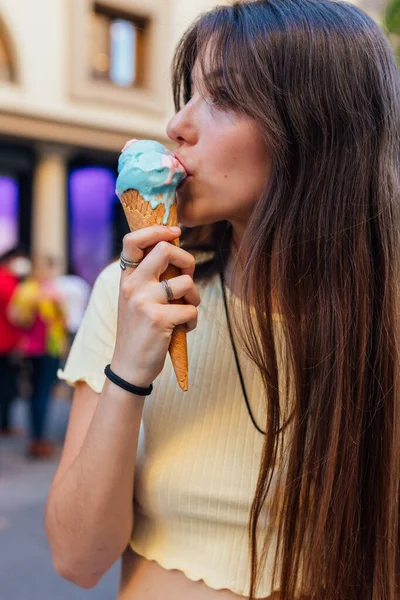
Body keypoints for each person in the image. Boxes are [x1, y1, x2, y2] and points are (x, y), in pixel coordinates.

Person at [45, 1, 400, 599]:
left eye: (225, 98)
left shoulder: (383, 323)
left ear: (318, 130)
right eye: (186, 94)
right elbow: (78, 558)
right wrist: (130, 369)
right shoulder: (131, 293)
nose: (177, 125)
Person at [8, 256, 68, 458]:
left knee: (37, 393)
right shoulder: (32, 291)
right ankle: (38, 439)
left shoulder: (32, 289)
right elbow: (17, 316)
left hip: (42, 347)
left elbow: (61, 318)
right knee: (40, 393)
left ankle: (37, 437)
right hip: (40, 348)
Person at [0, 247, 32, 436]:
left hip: (6, 341)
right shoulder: (8, 281)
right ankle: (5, 424)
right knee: (7, 385)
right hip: (6, 342)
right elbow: (16, 313)